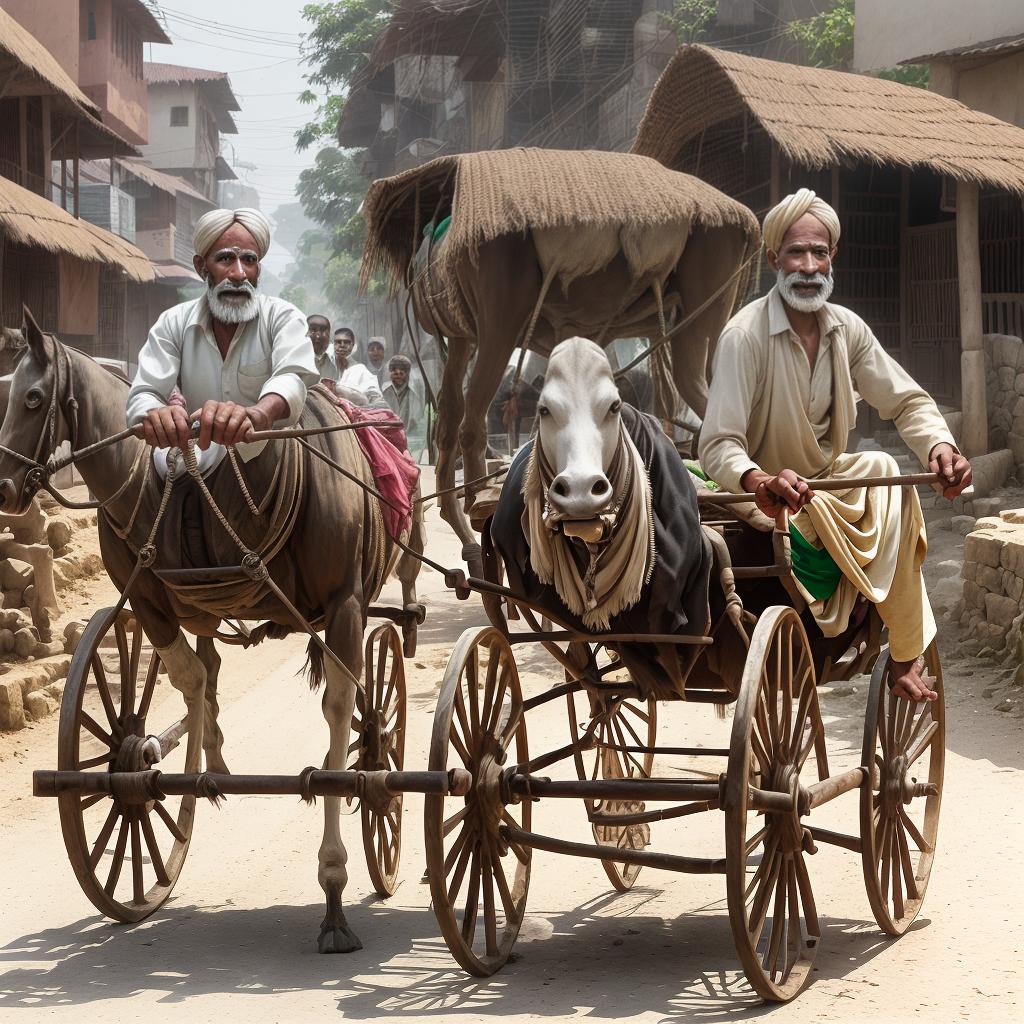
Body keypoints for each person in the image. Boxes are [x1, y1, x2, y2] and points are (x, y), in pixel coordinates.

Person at [698, 188, 972, 703]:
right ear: (773, 257)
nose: (808, 267)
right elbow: (719, 446)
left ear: (832, 258)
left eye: (818, 253)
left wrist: (940, 447)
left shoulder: (848, 330)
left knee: (882, 466)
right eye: (796, 253)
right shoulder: (744, 336)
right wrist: (759, 480)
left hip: (826, 488)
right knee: (859, 476)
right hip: (762, 500)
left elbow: (907, 402)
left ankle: (904, 654)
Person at [127, 207, 318, 474]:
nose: (239, 274)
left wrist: (258, 413)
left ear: (258, 270)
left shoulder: (283, 317)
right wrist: (156, 414)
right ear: (201, 266)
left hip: (271, 460)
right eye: (226, 259)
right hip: (197, 460)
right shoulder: (173, 322)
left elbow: (292, 377)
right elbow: (144, 392)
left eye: (249, 260)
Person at [332, 326, 382, 404]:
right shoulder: (325, 364)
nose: (342, 345)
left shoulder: (360, 369)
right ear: (333, 344)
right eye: (338, 342)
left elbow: (373, 392)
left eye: (346, 342)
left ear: (352, 345)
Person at [382, 355, 422, 433]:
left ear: (408, 372)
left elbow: (416, 420)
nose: (398, 372)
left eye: (402, 369)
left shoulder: (414, 393)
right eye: (394, 369)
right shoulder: (384, 391)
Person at [306, 314, 338, 382]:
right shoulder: (294, 358)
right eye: (313, 330)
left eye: (323, 330)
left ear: (329, 334)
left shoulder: (338, 358)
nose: (318, 336)